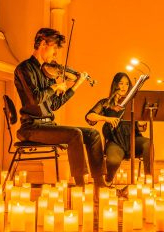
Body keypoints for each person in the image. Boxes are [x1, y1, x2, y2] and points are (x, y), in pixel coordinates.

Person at [13, 27, 108, 187]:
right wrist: (54, 88)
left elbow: (55, 105)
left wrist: (76, 85)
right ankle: (80, 186)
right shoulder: (24, 69)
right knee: (75, 134)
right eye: (54, 49)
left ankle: (100, 183)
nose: (55, 55)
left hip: (48, 126)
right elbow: (34, 99)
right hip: (32, 127)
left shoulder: (48, 72)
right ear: (43, 43)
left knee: (93, 134)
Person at [86, 72, 153, 182]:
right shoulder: (106, 103)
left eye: (127, 84)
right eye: (121, 83)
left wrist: (141, 119)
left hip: (134, 140)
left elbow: (141, 128)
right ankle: (108, 179)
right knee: (112, 161)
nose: (124, 87)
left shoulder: (133, 103)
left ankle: (149, 176)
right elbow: (90, 116)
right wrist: (107, 119)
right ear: (115, 85)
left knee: (149, 144)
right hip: (115, 141)